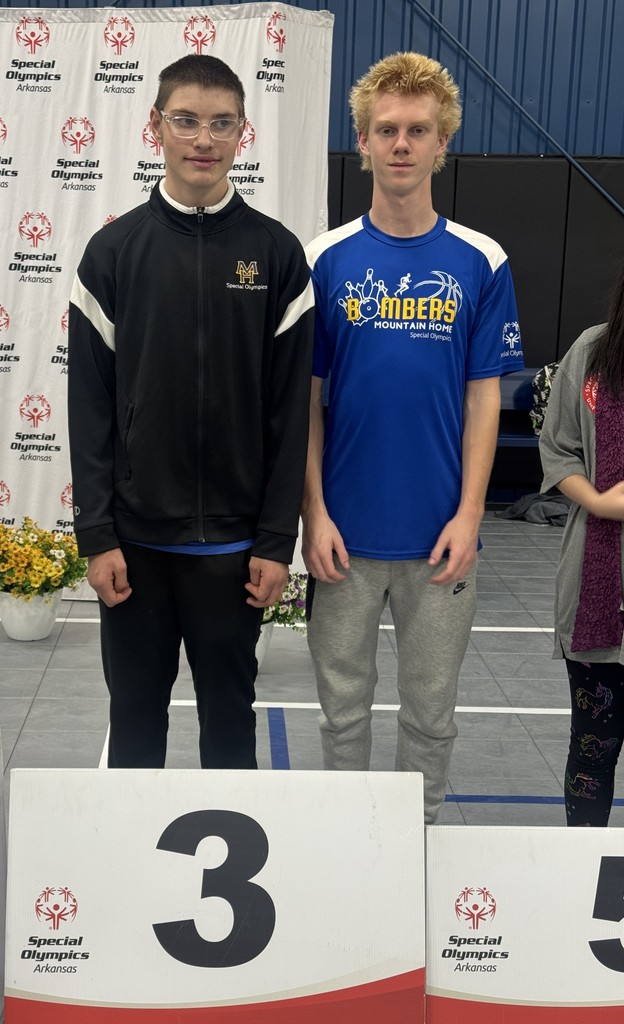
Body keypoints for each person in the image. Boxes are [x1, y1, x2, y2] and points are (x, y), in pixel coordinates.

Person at [67, 55, 314, 770]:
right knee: (135, 729)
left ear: (243, 133)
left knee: (230, 733)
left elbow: (288, 412)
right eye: (185, 120)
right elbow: (90, 410)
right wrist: (97, 535)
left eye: (220, 123)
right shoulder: (112, 254)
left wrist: (275, 542)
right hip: (135, 551)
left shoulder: (276, 254)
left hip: (234, 554)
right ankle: (133, 880)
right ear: (156, 128)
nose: (202, 139)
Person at [302, 52, 523, 823]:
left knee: (431, 717)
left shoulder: (481, 260)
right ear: (361, 141)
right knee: (342, 714)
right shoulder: (323, 260)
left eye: (417, 131)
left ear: (442, 143)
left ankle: (416, 846)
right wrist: (314, 513)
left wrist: (470, 515)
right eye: (386, 129)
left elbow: (485, 400)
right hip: (344, 540)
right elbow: (307, 403)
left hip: (440, 543)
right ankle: (345, 844)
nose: (401, 144)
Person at [539, 261, 624, 826]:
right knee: (592, 749)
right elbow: (559, 447)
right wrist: (596, 501)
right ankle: (583, 883)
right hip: (599, 591)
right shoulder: (595, 353)